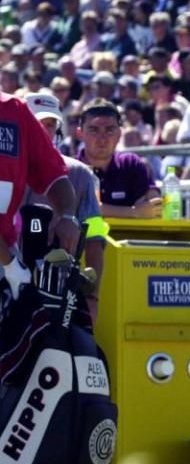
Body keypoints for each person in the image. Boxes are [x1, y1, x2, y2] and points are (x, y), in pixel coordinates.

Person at [22, 92, 106, 321]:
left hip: (61, 293)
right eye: (38, 123)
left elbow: (95, 238)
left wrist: (93, 298)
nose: (44, 130)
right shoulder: (7, 170)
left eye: (50, 125)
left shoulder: (80, 173)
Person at [0, 92, 79, 300]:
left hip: (7, 251)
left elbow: (52, 172)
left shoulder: (15, 109)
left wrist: (67, 216)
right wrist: (9, 264)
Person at [77, 99, 162, 219]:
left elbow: (155, 206)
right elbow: (91, 208)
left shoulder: (132, 163)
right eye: (94, 130)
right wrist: (135, 212)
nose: (102, 138)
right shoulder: (72, 169)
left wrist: (148, 206)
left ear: (119, 134)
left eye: (110, 130)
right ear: (80, 134)